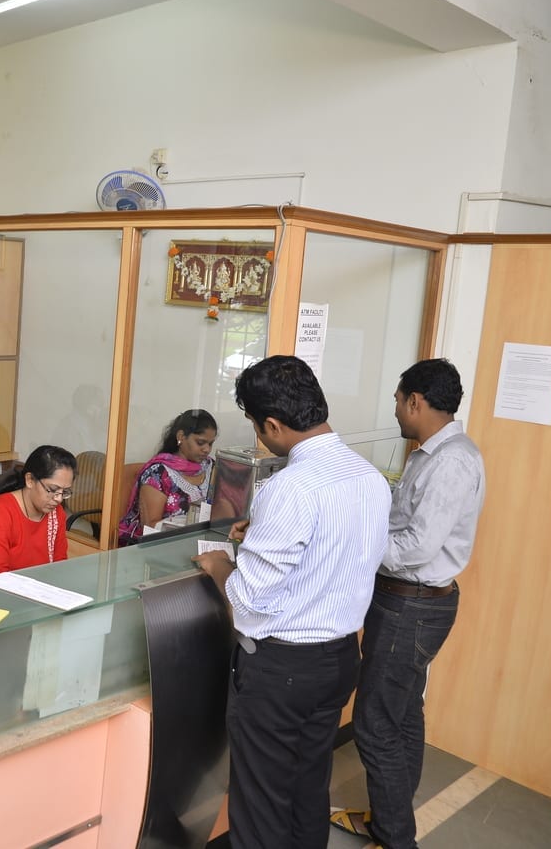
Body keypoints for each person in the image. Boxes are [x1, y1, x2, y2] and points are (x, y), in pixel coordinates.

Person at [192, 355, 390, 849]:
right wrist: (263, 534)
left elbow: (249, 601)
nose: (259, 436)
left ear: (274, 425)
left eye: (256, 426)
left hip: (282, 671)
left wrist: (219, 567)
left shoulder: (289, 488)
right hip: (339, 658)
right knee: (307, 787)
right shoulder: (369, 477)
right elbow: (335, 550)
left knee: (260, 805)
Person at [330, 359, 485, 849]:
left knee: (374, 723)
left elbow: (416, 546)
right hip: (410, 604)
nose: (395, 410)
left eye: (398, 401)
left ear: (415, 401)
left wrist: (355, 544)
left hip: (411, 608)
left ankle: (396, 838)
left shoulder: (451, 461)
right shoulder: (432, 454)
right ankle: (387, 819)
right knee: (403, 714)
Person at [117, 408, 217, 544]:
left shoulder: (212, 467)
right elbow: (150, 527)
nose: (207, 449)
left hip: (203, 542)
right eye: (200, 443)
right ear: (181, 437)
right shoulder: (158, 474)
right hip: (164, 545)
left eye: (210, 443)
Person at [0, 445, 76, 576]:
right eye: (52, 490)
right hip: (4, 587)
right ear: (30, 480)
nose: (59, 499)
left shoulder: (56, 514)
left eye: (64, 492)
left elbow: (59, 565)